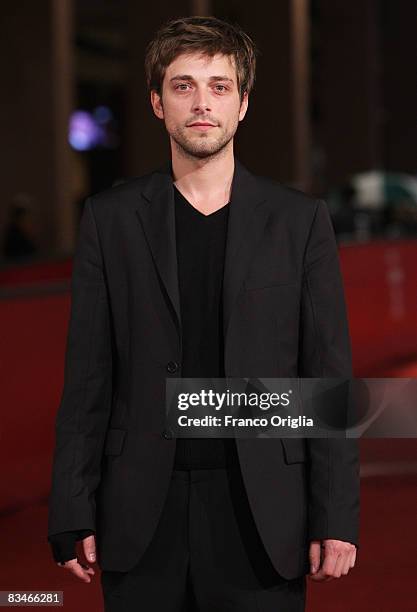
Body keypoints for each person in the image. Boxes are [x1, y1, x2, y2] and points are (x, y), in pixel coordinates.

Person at [47, 15, 359, 611]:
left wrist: (337, 514)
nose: (201, 103)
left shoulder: (299, 222)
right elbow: (87, 378)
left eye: (219, 86)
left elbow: (326, 380)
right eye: (183, 85)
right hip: (140, 512)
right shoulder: (109, 221)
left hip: (263, 512)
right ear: (157, 103)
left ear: (243, 104)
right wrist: (71, 506)